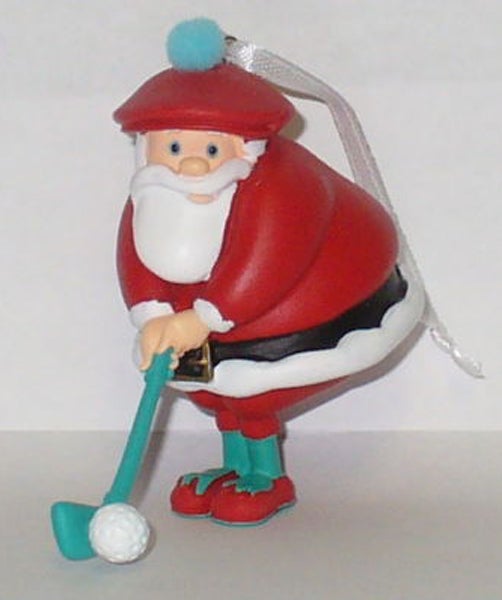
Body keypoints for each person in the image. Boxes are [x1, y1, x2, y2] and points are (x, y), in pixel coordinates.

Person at [114, 19, 424, 525]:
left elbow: (266, 262)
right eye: (173, 148)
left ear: (243, 147)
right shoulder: (154, 192)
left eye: (209, 150)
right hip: (211, 335)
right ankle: (234, 466)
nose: (192, 166)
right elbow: (136, 253)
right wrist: (151, 315)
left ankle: (266, 475)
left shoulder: (283, 187)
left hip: (302, 314)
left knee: (254, 399)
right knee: (224, 398)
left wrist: (201, 319)